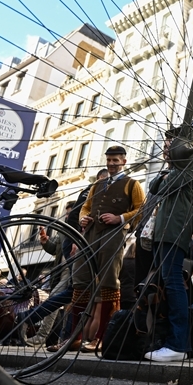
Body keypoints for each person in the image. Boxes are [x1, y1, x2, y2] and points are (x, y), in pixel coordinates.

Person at [143, 125, 193, 362]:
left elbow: (166, 186)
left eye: (170, 144)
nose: (166, 149)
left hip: (175, 225)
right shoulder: (176, 167)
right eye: (165, 144)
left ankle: (178, 343)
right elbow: (154, 187)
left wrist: (165, 177)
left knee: (172, 281)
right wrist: (165, 175)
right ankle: (172, 339)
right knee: (167, 281)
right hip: (165, 227)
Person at [75, 146, 145, 352]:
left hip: (113, 235)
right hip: (90, 234)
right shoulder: (98, 184)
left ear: (124, 161)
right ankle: (74, 337)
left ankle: (101, 338)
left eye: (115, 160)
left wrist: (120, 218)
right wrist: (83, 218)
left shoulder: (132, 184)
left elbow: (142, 209)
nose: (112, 164)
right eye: (109, 160)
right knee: (80, 281)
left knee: (108, 282)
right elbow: (86, 207)